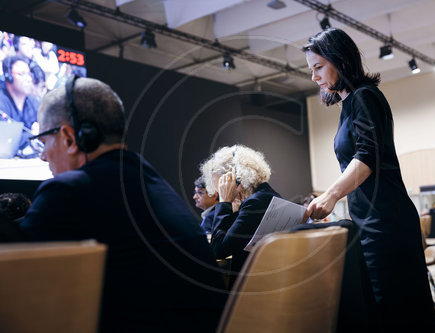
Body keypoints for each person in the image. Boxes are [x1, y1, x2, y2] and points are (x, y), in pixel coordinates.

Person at [18, 76, 227, 332]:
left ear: (70, 139)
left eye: (43, 142)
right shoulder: (150, 181)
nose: (42, 156)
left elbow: (14, 293)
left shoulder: (66, 192)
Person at [302, 28, 435, 332]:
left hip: (386, 222)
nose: (314, 77)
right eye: (311, 70)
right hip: (372, 220)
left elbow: (367, 157)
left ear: (339, 60)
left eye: (318, 67)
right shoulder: (349, 104)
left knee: (398, 309)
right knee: (388, 309)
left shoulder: (365, 97)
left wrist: (330, 195)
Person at [200, 144, 281, 279]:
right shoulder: (268, 195)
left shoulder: (255, 203)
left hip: (250, 289)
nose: (222, 194)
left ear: (236, 180)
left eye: (222, 189)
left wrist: (224, 201)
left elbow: (218, 250)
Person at [0, 55, 40, 155]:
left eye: (29, 74)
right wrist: (32, 135)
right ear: (8, 76)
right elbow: (5, 138)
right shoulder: (1, 101)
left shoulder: (32, 102)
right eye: (22, 74)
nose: (28, 79)